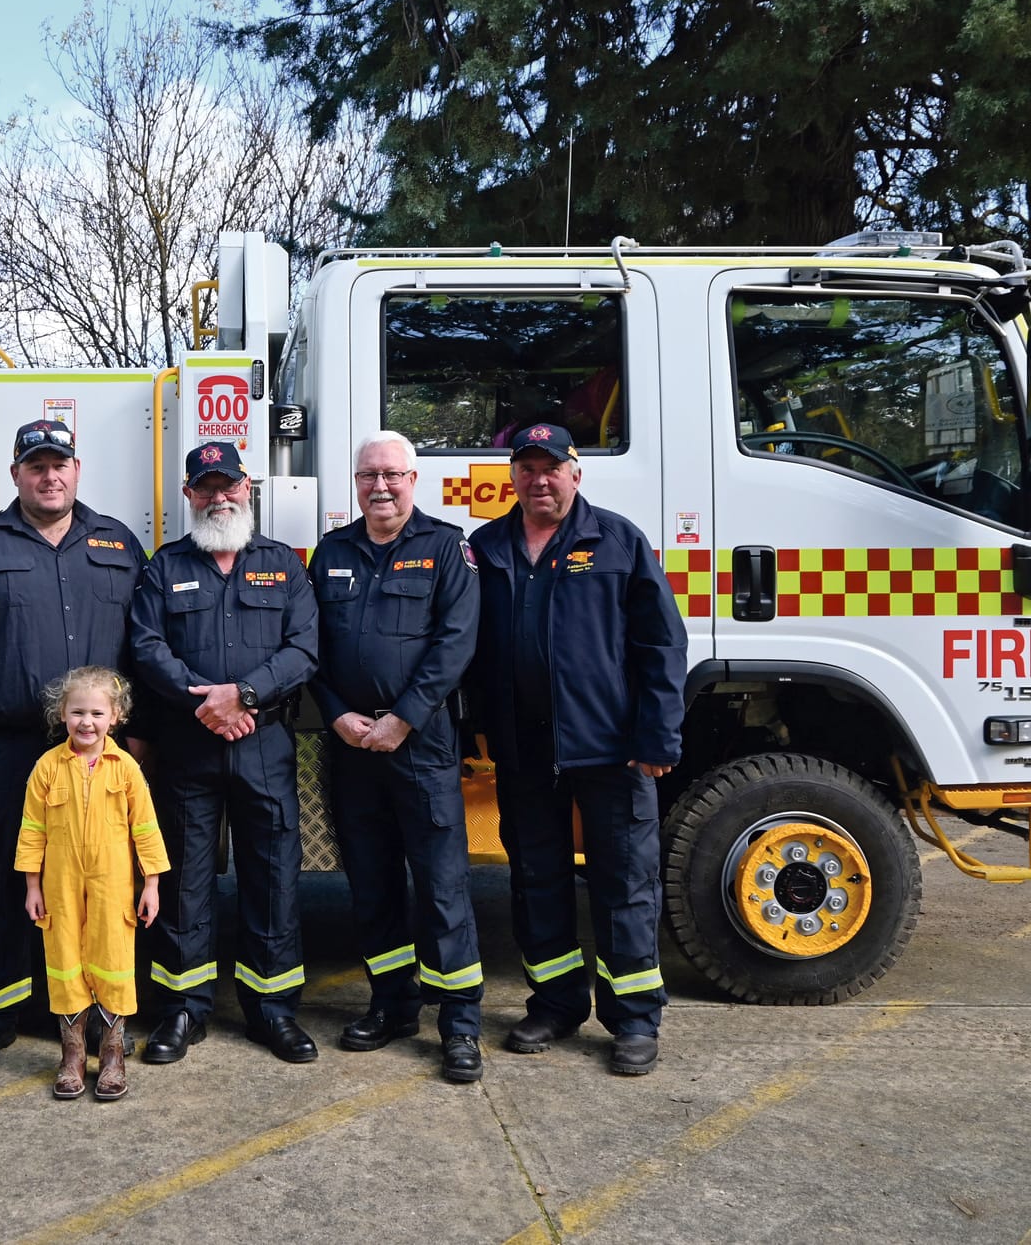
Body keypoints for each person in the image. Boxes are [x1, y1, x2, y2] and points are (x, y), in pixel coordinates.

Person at [0, 419, 146, 1070]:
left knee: (94, 892)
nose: (50, 475)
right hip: (5, 749)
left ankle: (85, 1015)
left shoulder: (117, 542)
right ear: (17, 473)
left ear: (78, 470)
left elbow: (147, 643)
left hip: (97, 757)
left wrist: (142, 738)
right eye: (36, 465)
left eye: (61, 463)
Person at [467, 422, 686, 1076]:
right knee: (537, 880)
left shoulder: (616, 541)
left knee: (625, 883)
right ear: (513, 475)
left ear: (575, 472)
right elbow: (464, 648)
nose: (540, 479)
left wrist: (658, 735)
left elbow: (661, 645)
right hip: (524, 747)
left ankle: (634, 1019)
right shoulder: (487, 545)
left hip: (610, 747)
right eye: (527, 468)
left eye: (551, 467)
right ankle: (556, 1003)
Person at [128, 442, 320, 1065]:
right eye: (205, 487)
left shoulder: (284, 565)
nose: (219, 497)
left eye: (228, 484)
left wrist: (245, 696)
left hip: (263, 742)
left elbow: (304, 649)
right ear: (188, 494)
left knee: (274, 877)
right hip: (188, 746)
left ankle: (273, 1011)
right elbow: (147, 647)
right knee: (184, 880)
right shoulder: (164, 566)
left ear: (248, 487)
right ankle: (182, 1010)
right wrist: (205, 704)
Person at [307, 431, 487, 1085]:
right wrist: (336, 713)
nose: (379, 486)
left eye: (391, 474)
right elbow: (311, 648)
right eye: (367, 476)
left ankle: (460, 1024)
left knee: (441, 886)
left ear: (414, 479)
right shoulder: (332, 552)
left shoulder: (446, 547)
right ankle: (392, 1004)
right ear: (354, 483)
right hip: (351, 747)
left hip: (422, 744)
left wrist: (402, 717)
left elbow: (455, 643)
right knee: (373, 885)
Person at [16, 667, 171, 1100]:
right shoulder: (47, 768)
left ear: (116, 716)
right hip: (60, 887)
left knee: (114, 964)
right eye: (77, 712)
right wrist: (33, 886)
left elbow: (146, 829)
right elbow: (33, 831)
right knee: (64, 964)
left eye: (97, 713)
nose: (87, 722)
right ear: (61, 714)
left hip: (114, 887)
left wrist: (151, 884)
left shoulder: (126, 770)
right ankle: (71, 1058)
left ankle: (113, 1056)